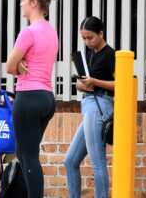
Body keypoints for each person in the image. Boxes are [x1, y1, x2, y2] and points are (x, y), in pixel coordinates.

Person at [5, 0, 59, 198]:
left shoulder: (28, 32)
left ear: (34, 3)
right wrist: (20, 64)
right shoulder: (51, 31)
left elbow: (9, 66)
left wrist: (17, 65)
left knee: (28, 155)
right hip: (46, 97)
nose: (21, 4)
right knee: (28, 153)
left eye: (23, 0)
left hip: (28, 96)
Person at [63, 17, 115, 198]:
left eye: (90, 37)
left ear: (101, 33)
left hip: (100, 105)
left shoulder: (110, 54)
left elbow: (120, 84)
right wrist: (82, 84)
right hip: (88, 103)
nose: (87, 42)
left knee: (97, 161)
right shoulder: (89, 53)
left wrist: (95, 81)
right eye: (84, 38)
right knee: (70, 161)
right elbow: (82, 84)